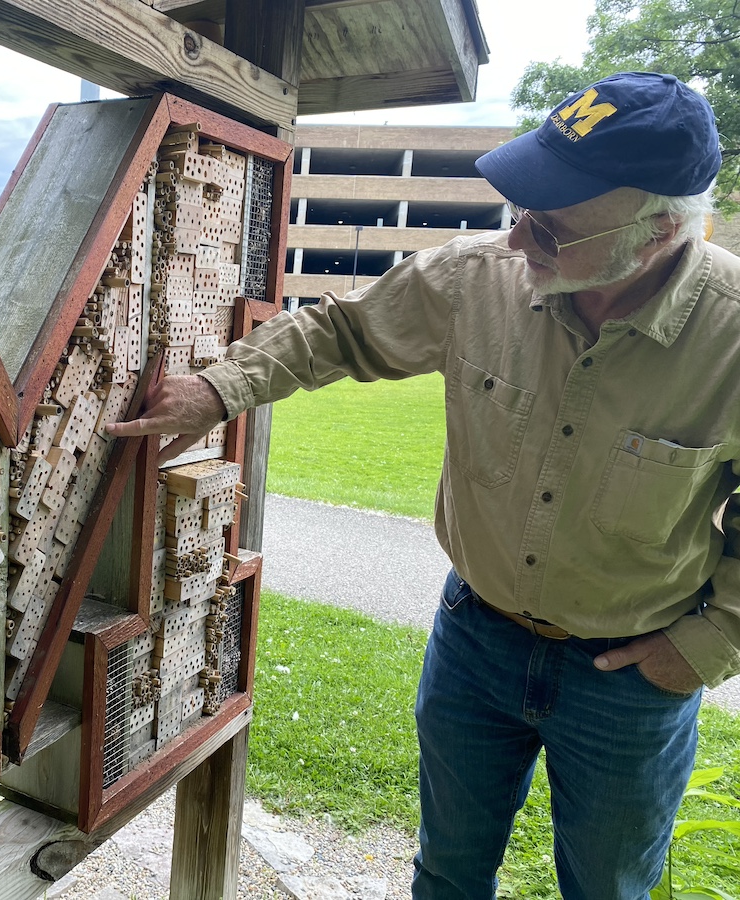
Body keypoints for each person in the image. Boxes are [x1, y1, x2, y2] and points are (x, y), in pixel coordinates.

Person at [107, 72, 740, 898]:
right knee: (445, 873)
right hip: (475, 640)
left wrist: (706, 647)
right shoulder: (476, 279)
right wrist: (220, 386)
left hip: (626, 681)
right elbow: (339, 331)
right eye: (520, 213)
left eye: (551, 229)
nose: (518, 243)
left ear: (656, 232)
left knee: (609, 888)